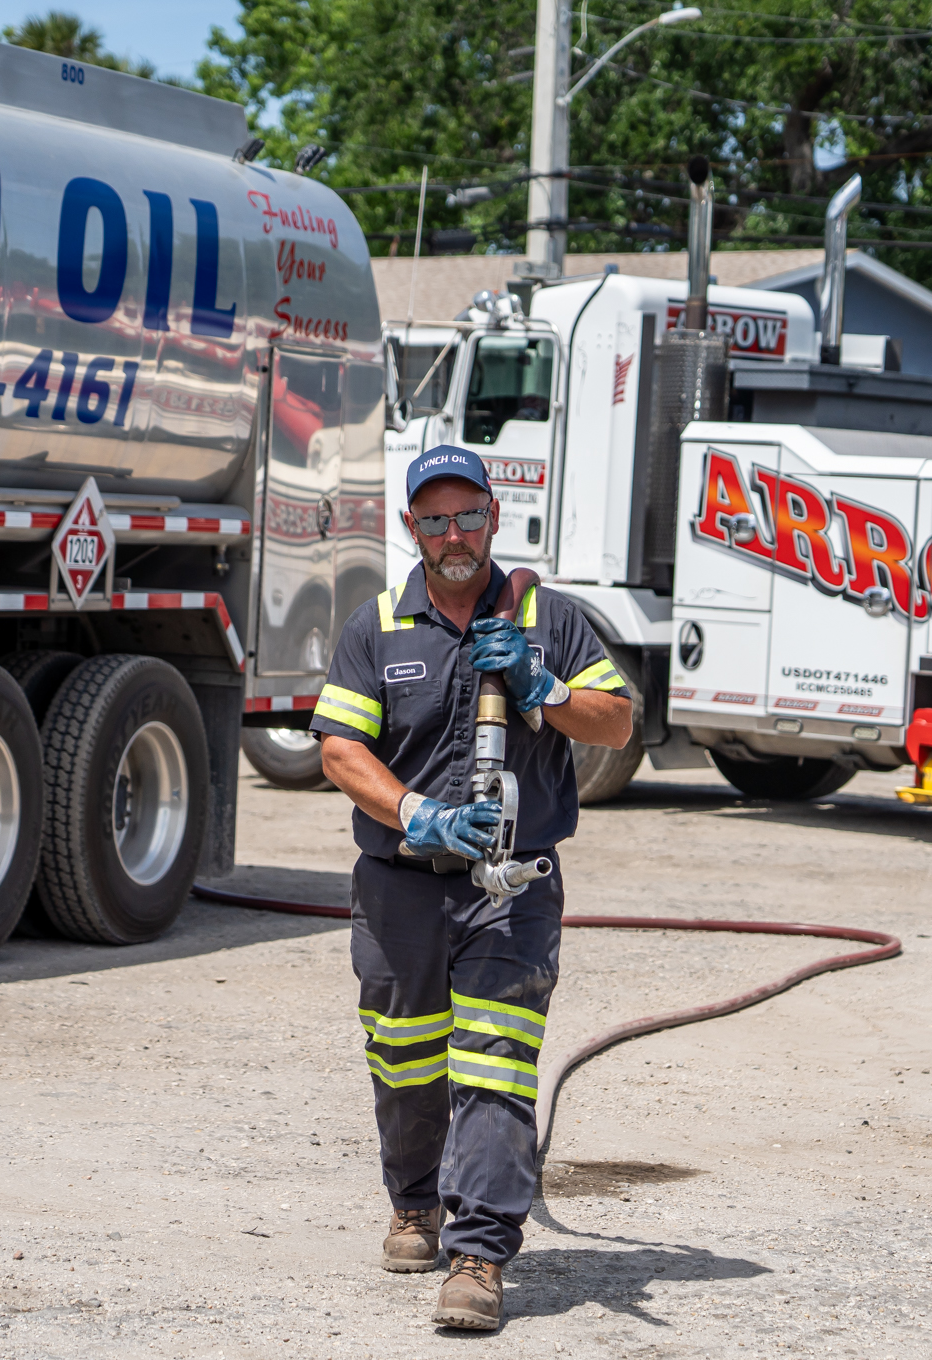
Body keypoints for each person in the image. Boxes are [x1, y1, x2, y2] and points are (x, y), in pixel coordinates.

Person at [309, 445, 633, 1332]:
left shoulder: (548, 618)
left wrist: (542, 684)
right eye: (435, 519)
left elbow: (616, 717)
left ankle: (480, 1254)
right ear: (411, 527)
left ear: (495, 515)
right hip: (401, 885)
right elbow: (340, 749)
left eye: (469, 516)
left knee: (495, 1064)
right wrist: (416, 812)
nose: (455, 535)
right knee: (403, 1057)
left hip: (511, 887)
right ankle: (415, 1202)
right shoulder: (376, 626)